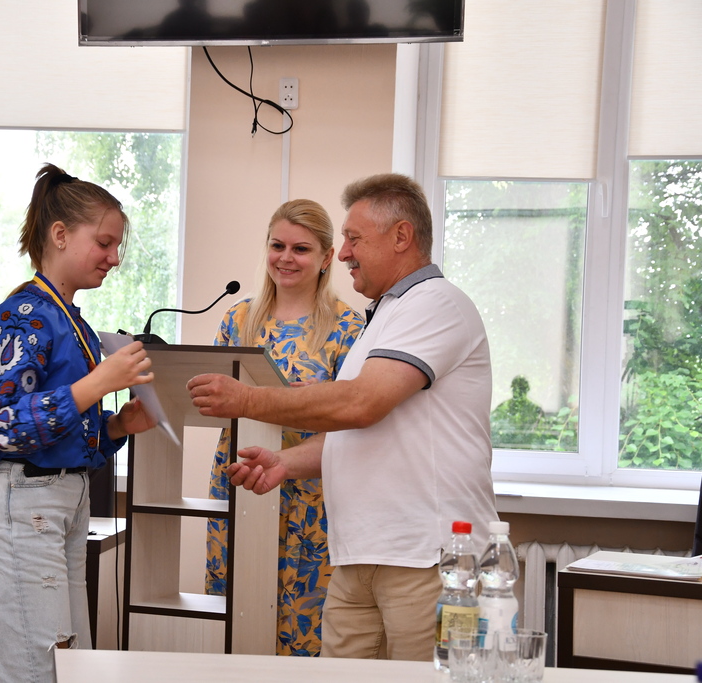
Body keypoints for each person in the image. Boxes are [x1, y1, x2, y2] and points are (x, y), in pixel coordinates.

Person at [187, 173, 498, 662]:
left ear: (401, 236)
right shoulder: (385, 316)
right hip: (359, 554)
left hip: (425, 556)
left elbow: (359, 403)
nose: (346, 252)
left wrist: (248, 400)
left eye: (354, 238)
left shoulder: (436, 304)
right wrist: (286, 462)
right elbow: (359, 431)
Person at [0, 163, 156, 683]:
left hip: (58, 504)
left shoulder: (74, 323)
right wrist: (100, 384)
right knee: (40, 672)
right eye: (104, 243)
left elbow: (65, 435)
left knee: (68, 668)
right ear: (61, 234)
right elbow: (5, 427)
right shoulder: (22, 317)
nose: (114, 258)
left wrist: (118, 427)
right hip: (18, 504)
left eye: (117, 246)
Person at [205, 199, 364, 656]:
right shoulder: (238, 319)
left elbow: (352, 417)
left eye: (301, 249)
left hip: (311, 494)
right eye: (278, 246)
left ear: (327, 257)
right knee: (235, 615)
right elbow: (210, 399)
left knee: (302, 625)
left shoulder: (348, 327)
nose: (286, 258)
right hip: (239, 479)